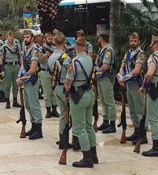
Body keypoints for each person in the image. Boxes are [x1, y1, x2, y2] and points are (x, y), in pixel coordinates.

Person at [64, 37, 98, 168]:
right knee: (89, 126)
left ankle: (87, 158)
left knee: (79, 128)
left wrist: (66, 91)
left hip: (78, 95)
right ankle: (94, 155)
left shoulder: (74, 63)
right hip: (89, 94)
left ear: (76, 47)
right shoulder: (90, 59)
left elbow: (68, 84)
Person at [117, 32, 147, 144]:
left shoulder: (141, 54)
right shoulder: (128, 53)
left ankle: (142, 135)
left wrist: (123, 78)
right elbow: (122, 67)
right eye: (131, 41)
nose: (133, 43)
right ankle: (136, 131)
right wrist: (120, 77)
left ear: (139, 41)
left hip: (138, 84)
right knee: (132, 110)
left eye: (135, 41)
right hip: (129, 84)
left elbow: (136, 71)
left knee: (140, 109)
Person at [16, 30, 43, 140]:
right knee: (27, 105)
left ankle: (38, 129)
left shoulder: (35, 50)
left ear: (32, 38)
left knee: (34, 104)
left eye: (28, 37)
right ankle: (33, 126)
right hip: (25, 81)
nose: (26, 39)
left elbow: (32, 70)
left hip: (32, 80)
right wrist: (19, 76)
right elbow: (22, 65)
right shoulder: (25, 50)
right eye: (25, 37)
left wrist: (22, 79)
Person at [50, 32, 72, 149]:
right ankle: (65, 140)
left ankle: (61, 139)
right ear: (64, 43)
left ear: (54, 42)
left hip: (56, 87)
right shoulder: (65, 57)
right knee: (68, 114)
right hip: (65, 87)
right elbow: (71, 72)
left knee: (63, 114)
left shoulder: (51, 57)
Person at [95, 32, 117, 133]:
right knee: (103, 101)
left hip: (106, 77)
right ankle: (105, 121)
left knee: (109, 102)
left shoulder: (108, 50)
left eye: (99, 38)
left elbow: (105, 67)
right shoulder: (101, 50)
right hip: (100, 78)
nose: (97, 40)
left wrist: (95, 73)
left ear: (101, 38)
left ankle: (112, 124)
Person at [0, 31, 22, 109]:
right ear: (7, 37)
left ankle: (15, 101)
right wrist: (2, 69)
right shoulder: (3, 47)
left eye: (12, 37)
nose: (11, 38)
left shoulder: (17, 46)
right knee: (7, 85)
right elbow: (1, 59)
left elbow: (20, 57)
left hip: (16, 66)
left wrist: (21, 66)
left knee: (16, 84)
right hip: (7, 66)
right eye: (10, 36)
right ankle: (7, 101)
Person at [38, 33, 58, 118]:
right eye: (49, 38)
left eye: (51, 38)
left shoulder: (55, 48)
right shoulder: (41, 48)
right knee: (47, 92)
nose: (50, 40)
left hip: (54, 72)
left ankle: (54, 110)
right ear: (45, 39)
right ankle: (48, 110)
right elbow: (38, 60)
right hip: (44, 72)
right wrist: (46, 55)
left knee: (54, 92)